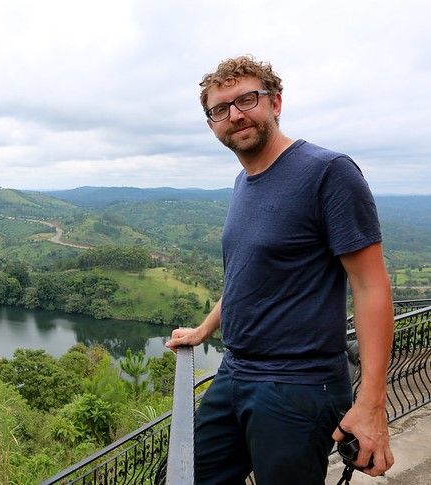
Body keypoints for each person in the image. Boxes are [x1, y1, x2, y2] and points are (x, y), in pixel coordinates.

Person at [165, 55, 394, 484]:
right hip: (236, 371)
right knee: (187, 476)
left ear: (276, 102)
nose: (234, 115)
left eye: (246, 99)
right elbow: (245, 276)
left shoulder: (328, 172)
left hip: (299, 385)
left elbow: (370, 286)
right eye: (219, 110)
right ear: (212, 124)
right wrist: (203, 330)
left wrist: (371, 405)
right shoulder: (243, 183)